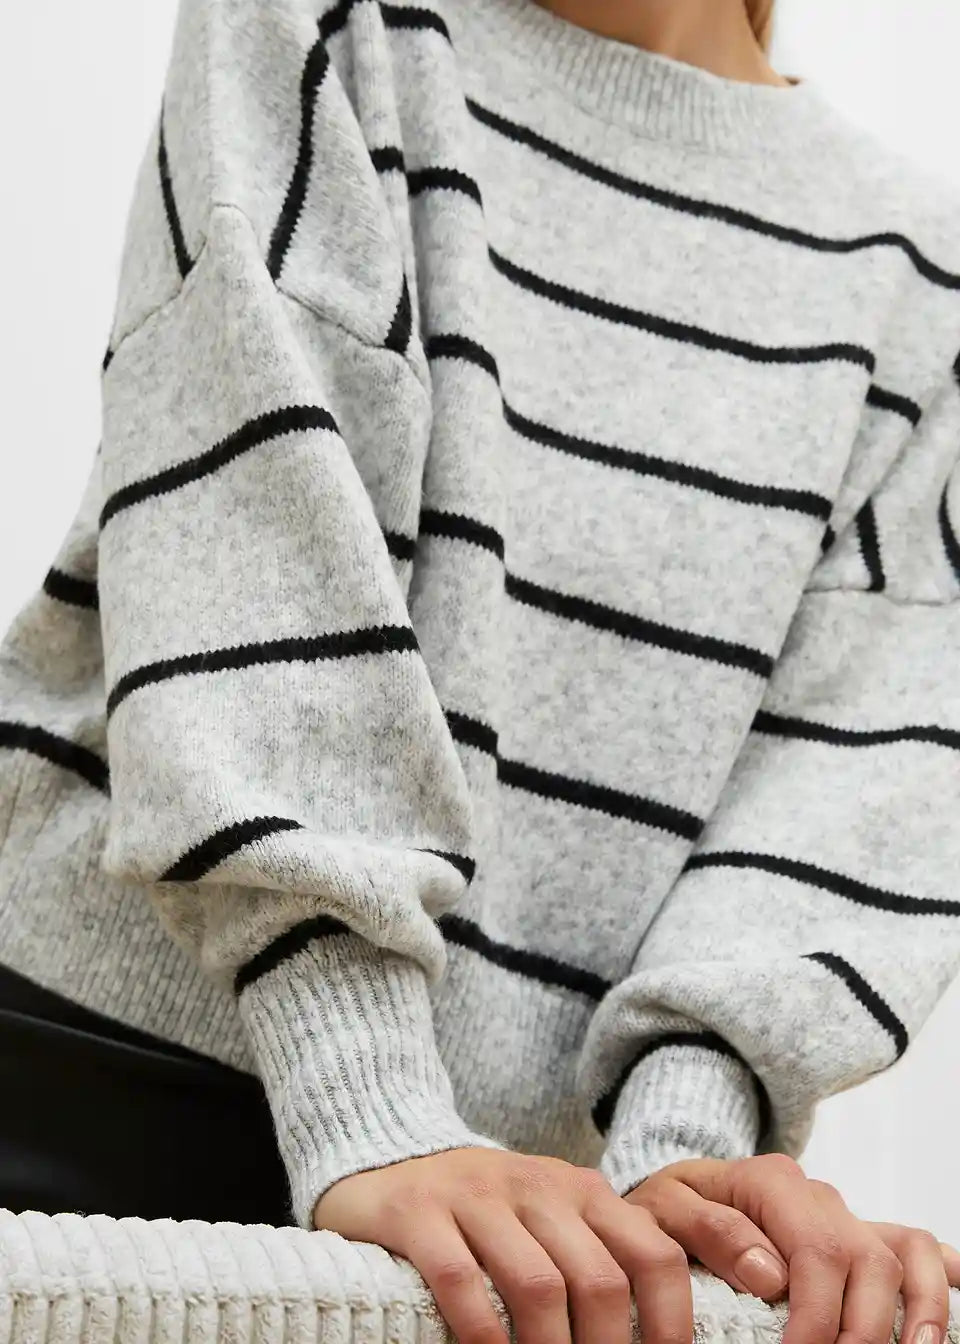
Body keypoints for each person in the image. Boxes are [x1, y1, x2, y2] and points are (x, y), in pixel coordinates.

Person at [1, 0, 959, 1341]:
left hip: (511, 1227)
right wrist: (367, 1095)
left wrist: (689, 1158)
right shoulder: (330, 25)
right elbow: (252, 525)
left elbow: (850, 775)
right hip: (95, 1115)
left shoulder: (921, 274)